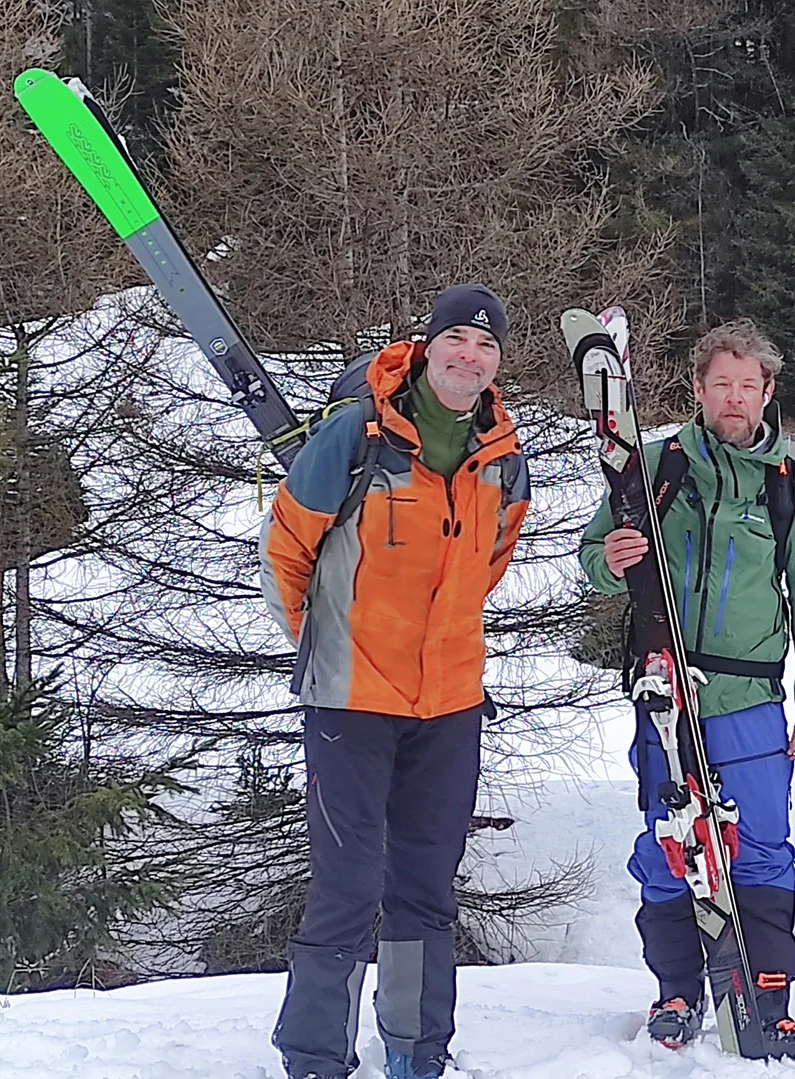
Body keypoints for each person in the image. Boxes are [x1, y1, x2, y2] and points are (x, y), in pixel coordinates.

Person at [260, 284, 530, 1079]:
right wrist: (322, 645)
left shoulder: (502, 458)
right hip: (351, 700)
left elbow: (489, 566)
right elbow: (286, 550)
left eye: (485, 347)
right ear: (429, 345)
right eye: (457, 341)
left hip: (447, 705)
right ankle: (315, 1055)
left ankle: (415, 1047)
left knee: (423, 887)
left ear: (497, 363)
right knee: (346, 885)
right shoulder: (356, 434)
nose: (468, 357)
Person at [578, 318, 795, 1064]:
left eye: (747, 385)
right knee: (670, 843)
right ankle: (678, 990)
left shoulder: (791, 486)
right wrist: (613, 558)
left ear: (767, 392)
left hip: (751, 698)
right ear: (697, 389)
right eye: (720, 383)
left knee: (760, 849)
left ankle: (769, 998)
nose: (733, 397)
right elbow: (595, 556)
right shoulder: (657, 465)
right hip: (664, 689)